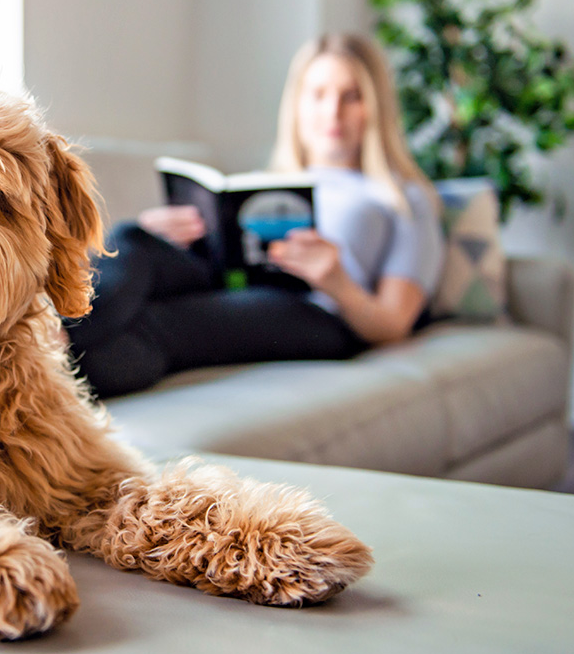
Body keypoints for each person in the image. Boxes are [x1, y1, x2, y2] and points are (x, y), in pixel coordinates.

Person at [67, 33, 444, 398]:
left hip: (318, 311)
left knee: (159, 325)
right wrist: (173, 237)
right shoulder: (269, 182)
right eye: (318, 95)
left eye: (352, 97)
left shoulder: (403, 198)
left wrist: (337, 282)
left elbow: (394, 324)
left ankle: (37, 361)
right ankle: (50, 337)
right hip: (229, 280)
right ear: (297, 105)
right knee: (133, 239)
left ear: (376, 107)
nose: (333, 112)